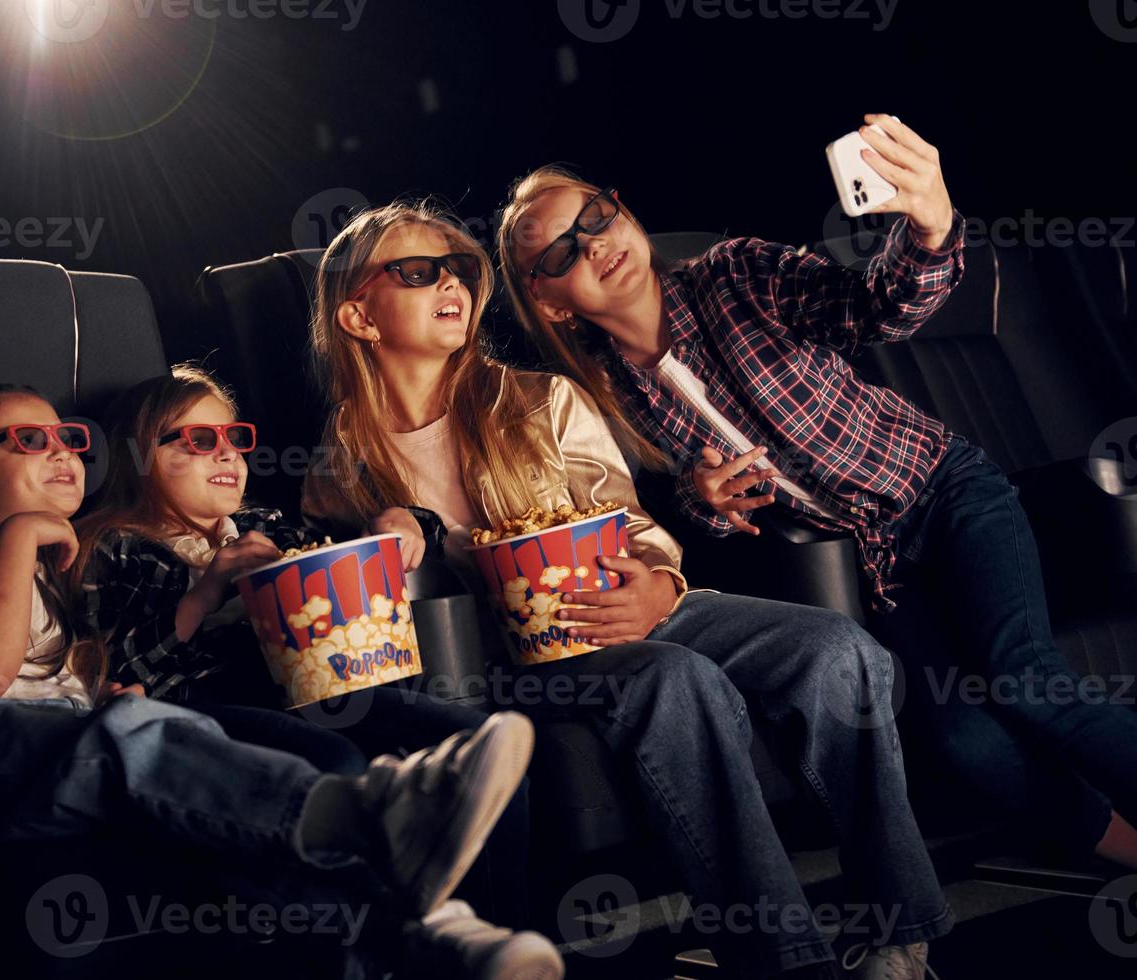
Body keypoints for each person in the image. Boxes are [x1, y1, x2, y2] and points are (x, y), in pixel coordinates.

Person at [301, 200, 952, 980]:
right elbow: (348, 615)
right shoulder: (342, 462)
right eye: (416, 271)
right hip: (520, 658)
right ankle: (783, 960)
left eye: (464, 269)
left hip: (639, 603)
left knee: (841, 649)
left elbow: (631, 522)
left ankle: (901, 934)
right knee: (674, 679)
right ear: (358, 316)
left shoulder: (541, 399)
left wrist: (658, 580)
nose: (452, 283)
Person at [493, 118, 1137, 877]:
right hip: (876, 565)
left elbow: (874, 308)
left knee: (1023, 677)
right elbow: (689, 522)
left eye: (595, 217)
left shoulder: (733, 274)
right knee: (962, 741)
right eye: (563, 250)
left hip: (947, 492)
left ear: (623, 210)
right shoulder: (603, 396)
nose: (595, 243)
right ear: (551, 302)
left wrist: (928, 230)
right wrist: (705, 501)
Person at [0, 381, 559, 979]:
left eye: (69, 437)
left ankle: (441, 935)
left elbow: (76, 672)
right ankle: (363, 816)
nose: (62, 451)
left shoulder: (53, 565)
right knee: (158, 734)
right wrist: (24, 536)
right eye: (29, 440)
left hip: (74, 750)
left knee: (214, 807)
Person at [72, 365, 532, 925]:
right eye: (198, 440)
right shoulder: (115, 544)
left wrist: (402, 520)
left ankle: (490, 932)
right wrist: (206, 592)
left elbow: (351, 554)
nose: (227, 455)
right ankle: (389, 939)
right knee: (337, 764)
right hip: (210, 703)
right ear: (138, 456)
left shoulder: (265, 526)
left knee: (467, 742)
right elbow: (116, 671)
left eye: (234, 439)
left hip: (321, 686)